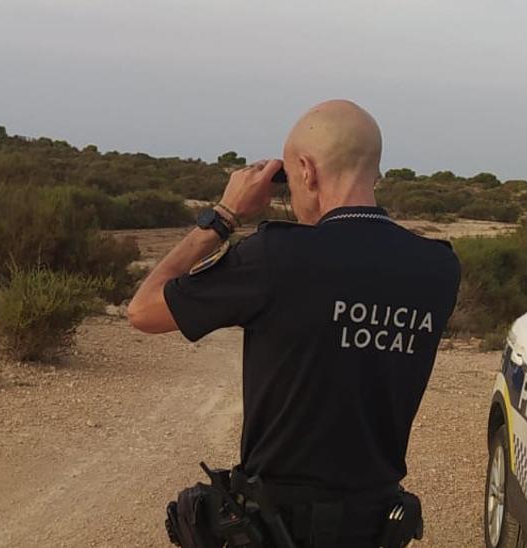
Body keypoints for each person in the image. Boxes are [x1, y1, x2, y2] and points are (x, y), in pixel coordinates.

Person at [127, 99, 462, 547]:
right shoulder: (438, 269)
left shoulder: (274, 257)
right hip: (376, 526)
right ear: (375, 173)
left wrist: (223, 216)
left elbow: (143, 310)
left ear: (305, 171)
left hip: (277, 528)